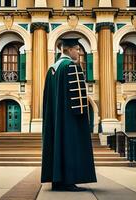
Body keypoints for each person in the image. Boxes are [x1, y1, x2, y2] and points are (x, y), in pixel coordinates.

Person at [41, 37, 97, 192]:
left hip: (55, 119)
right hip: (69, 119)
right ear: (68, 50)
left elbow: (47, 100)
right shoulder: (71, 66)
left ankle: (57, 181)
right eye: (77, 49)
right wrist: (81, 121)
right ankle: (68, 181)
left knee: (57, 144)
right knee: (70, 145)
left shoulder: (52, 68)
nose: (79, 52)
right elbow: (79, 99)